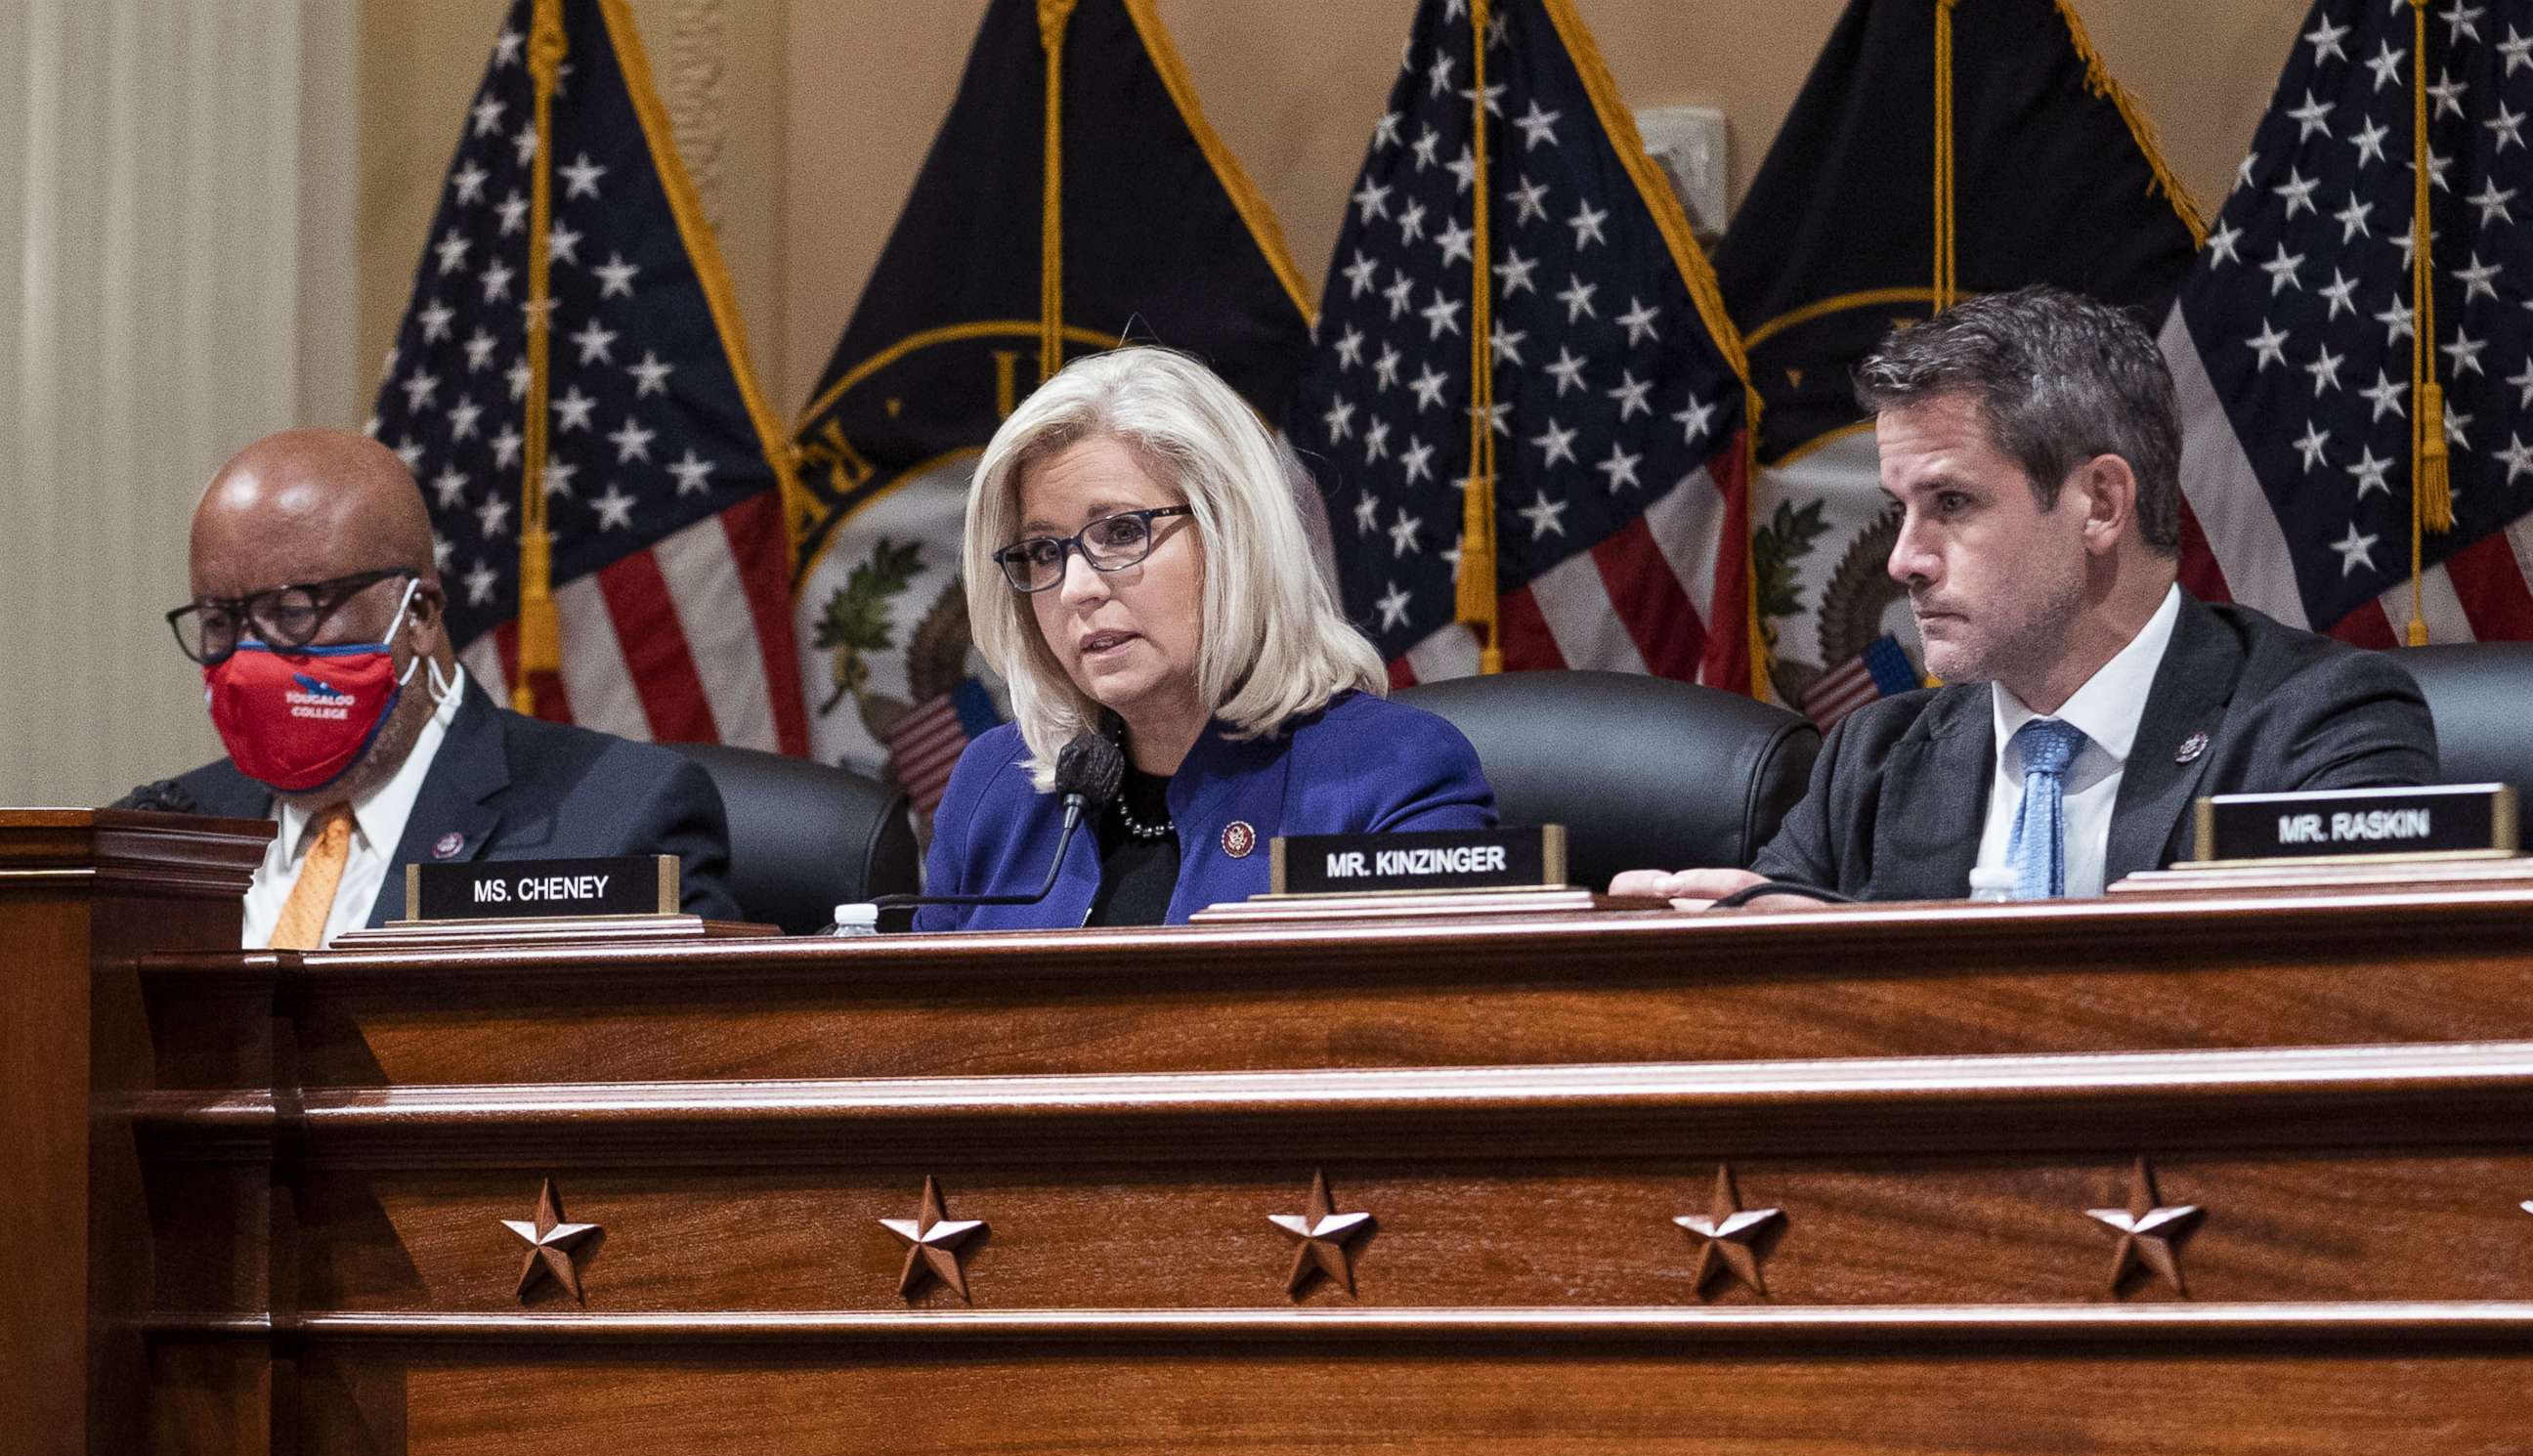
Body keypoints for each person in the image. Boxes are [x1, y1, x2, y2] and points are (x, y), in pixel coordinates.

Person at [1615, 285, 2437, 908]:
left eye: (1952, 504)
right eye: (1901, 510)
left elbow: (2326, 1017)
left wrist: (1877, 980)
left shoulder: (2322, 728)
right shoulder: (1873, 760)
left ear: (2101, 505)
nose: (1905, 560)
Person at [918, 345, 1495, 929]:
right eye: (1044, 552)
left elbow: (1432, 1017)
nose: (1075, 588)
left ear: (1231, 535)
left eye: (1120, 532)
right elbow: (913, 1018)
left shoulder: (1390, 773)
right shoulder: (995, 786)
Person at [117, 428, 739, 945]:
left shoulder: (619, 821)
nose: (250, 659)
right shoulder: (158, 835)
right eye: (221, 623)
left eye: (294, 612)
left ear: (418, 615)